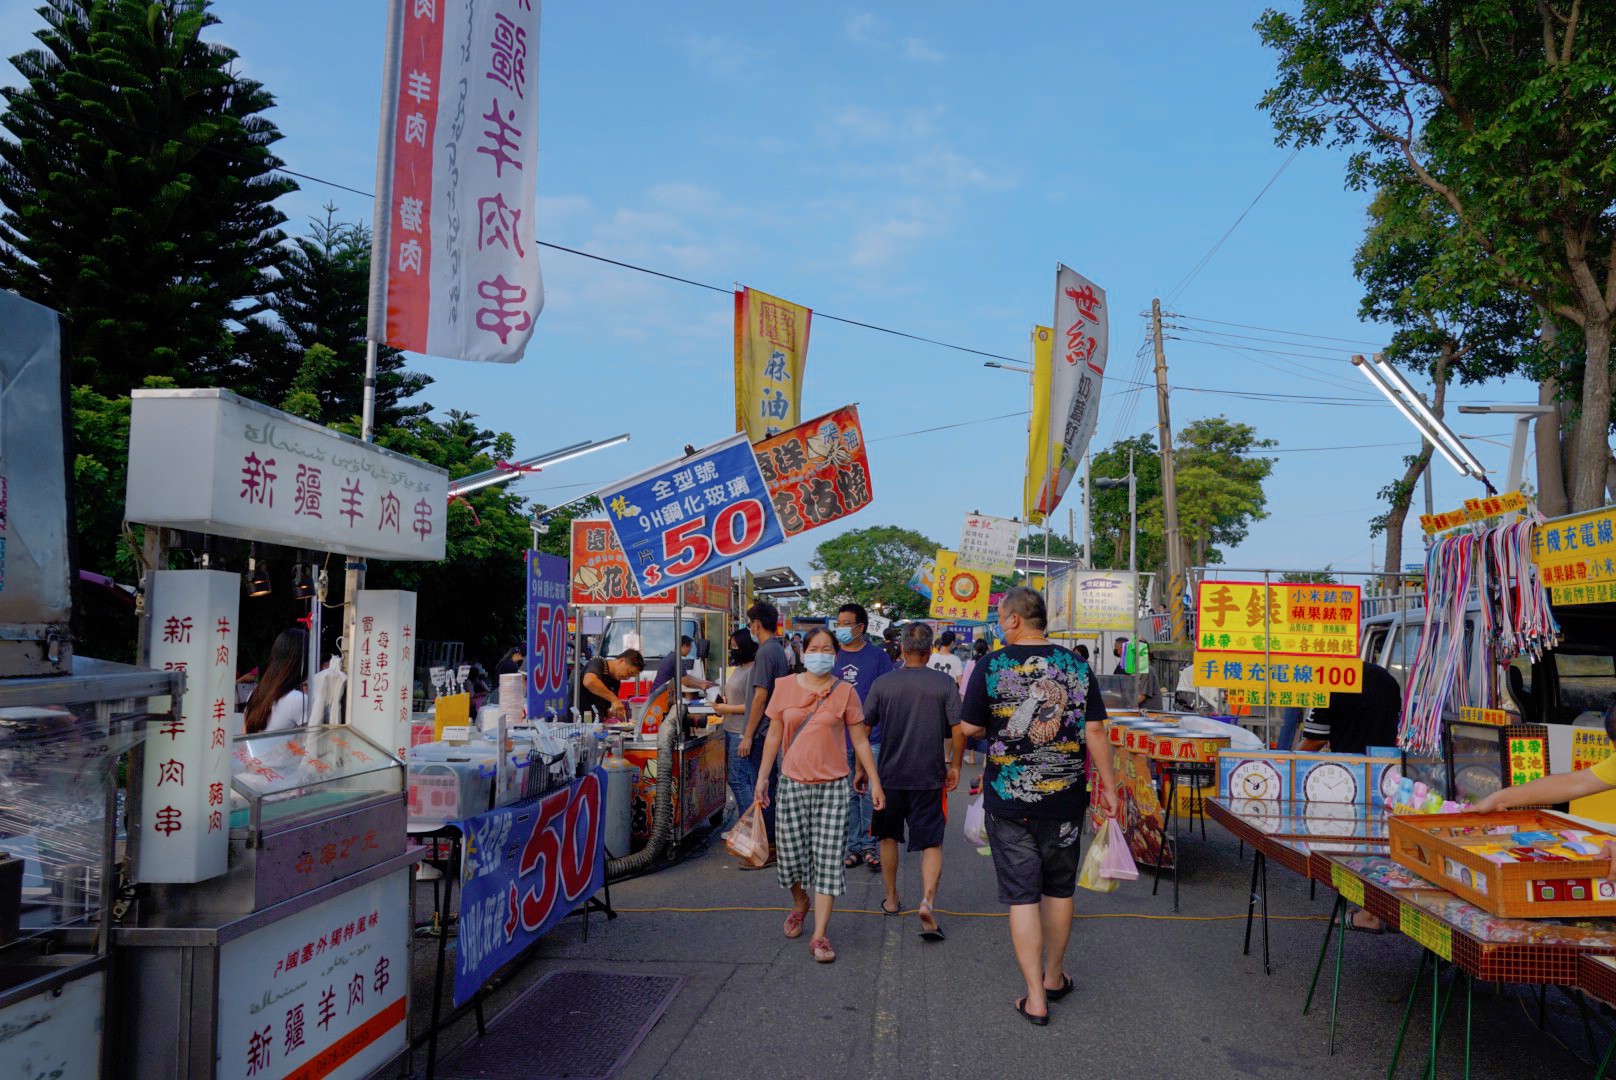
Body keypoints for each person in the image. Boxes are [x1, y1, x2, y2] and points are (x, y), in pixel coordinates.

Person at [959, 587, 1120, 1025]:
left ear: (1013, 620)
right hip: (1065, 800)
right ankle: (1053, 977)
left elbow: (970, 724)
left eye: (999, 616)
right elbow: (1096, 732)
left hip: (1009, 801)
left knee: (1022, 896)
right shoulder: (1075, 664)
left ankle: (1034, 997)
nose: (997, 623)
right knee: (1058, 889)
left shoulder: (992, 665)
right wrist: (1109, 787)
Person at [753, 626, 884, 964]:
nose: (821, 654)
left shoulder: (845, 692)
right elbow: (773, 737)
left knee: (827, 863)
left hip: (833, 788)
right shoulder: (783, 688)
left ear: (835, 655)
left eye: (828, 649)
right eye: (815, 648)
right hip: (793, 784)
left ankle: (819, 934)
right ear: (803, 651)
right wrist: (763, 777)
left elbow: (859, 741)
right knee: (790, 860)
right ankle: (800, 902)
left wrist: (875, 781)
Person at [864, 622, 963, 938]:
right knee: (931, 842)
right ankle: (927, 901)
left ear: (903, 650)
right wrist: (956, 766)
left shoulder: (883, 683)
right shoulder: (945, 684)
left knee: (887, 837)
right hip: (930, 777)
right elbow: (959, 729)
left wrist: (860, 771)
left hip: (889, 776)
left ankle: (892, 899)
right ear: (931, 650)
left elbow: (863, 729)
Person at [834, 603, 895, 872]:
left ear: (860, 627)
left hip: (873, 737)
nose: (841, 628)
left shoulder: (879, 657)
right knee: (847, 794)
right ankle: (853, 846)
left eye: (846, 623)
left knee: (871, 793)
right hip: (838, 738)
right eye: (839, 623)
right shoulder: (831, 655)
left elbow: (887, 696)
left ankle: (871, 844)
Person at [739, 600, 794, 851]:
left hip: (761, 732)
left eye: (751, 623)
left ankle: (768, 845)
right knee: (767, 784)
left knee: (762, 787)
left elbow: (760, 697)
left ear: (757, 624)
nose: (750, 628)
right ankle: (769, 841)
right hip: (770, 729)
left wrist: (747, 735)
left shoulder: (764, 652)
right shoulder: (777, 650)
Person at [1299, 661, 1400, 755]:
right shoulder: (1385, 677)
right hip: (1386, 764)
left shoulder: (1328, 682)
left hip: (1349, 767)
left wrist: (1288, 761)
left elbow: (1316, 741)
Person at [712, 629, 758, 824]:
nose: (732, 650)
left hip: (741, 731)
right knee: (742, 780)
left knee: (737, 780)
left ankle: (749, 826)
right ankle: (747, 825)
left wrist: (727, 707)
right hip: (730, 728)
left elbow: (753, 705)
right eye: (731, 646)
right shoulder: (739, 669)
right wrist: (722, 703)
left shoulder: (753, 670)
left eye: (735, 646)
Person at [244, 628, 309, 735]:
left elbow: (244, 741)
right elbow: (312, 744)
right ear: (302, 662)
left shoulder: (254, 694)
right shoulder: (298, 700)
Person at [577, 650, 644, 721]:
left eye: (630, 676)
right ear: (622, 661)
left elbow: (608, 709)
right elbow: (589, 681)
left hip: (597, 723)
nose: (627, 678)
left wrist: (614, 712)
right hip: (579, 722)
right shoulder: (598, 662)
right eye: (628, 673)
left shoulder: (616, 682)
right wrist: (614, 700)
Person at [649, 635, 714, 701]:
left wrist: (702, 681)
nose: (690, 651)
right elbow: (686, 682)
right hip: (658, 697)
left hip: (658, 695)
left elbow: (686, 676)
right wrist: (701, 686)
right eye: (690, 648)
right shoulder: (675, 659)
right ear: (684, 647)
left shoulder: (673, 657)